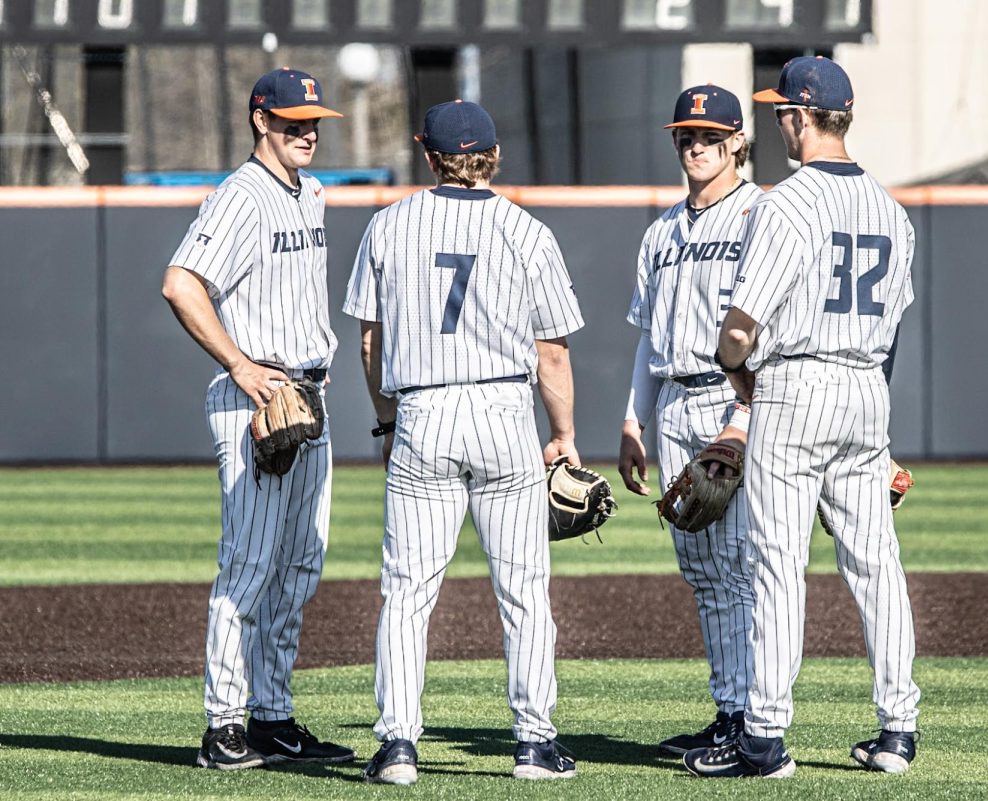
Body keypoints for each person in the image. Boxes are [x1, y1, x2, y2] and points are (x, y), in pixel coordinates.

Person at [684, 56, 921, 779]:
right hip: (865, 389)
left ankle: (763, 736)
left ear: (797, 116)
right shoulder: (891, 208)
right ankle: (897, 728)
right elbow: (896, 328)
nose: (777, 118)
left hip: (796, 385)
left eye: (780, 110)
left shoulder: (787, 201)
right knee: (876, 562)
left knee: (777, 564)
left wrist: (736, 375)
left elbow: (740, 325)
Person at [344, 100, 584, 785]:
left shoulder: (388, 225)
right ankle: (535, 744)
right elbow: (553, 352)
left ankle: (396, 746)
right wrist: (563, 436)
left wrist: (387, 420)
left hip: (424, 410)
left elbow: (370, 339)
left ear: (428, 155)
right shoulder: (526, 230)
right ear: (496, 157)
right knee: (524, 590)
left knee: (408, 590)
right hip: (505, 411)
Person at [161, 68, 353, 770]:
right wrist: (240, 364)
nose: (307, 131)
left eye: (314, 121)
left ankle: (272, 715)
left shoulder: (313, 191)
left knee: (300, 563)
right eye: (294, 120)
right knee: (248, 565)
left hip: (308, 395)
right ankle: (223, 725)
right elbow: (180, 283)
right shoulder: (241, 196)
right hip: (256, 402)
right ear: (259, 120)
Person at [618, 85, 760, 756]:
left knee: (738, 566)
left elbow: (771, 331)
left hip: (733, 399)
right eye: (686, 135)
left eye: (710, 135)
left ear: (738, 141)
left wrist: (742, 415)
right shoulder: (661, 231)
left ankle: (754, 720)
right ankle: (729, 708)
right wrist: (632, 421)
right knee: (702, 570)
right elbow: (648, 338)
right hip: (674, 401)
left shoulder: (762, 215)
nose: (697, 145)